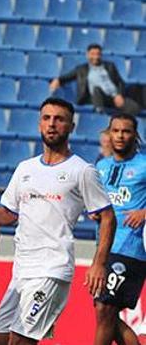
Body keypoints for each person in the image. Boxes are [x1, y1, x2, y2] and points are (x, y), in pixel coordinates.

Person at [0, 98, 116, 345]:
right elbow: (8, 213)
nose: (52, 124)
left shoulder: (82, 170)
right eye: (46, 118)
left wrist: (99, 263)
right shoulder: (25, 168)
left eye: (59, 119)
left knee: (20, 340)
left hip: (52, 268)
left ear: (71, 126)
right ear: (39, 125)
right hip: (22, 269)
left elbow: (107, 216)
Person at [93, 113, 145, 345]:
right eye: (116, 131)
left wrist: (145, 212)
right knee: (105, 313)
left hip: (131, 248)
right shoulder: (102, 166)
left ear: (135, 135)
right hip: (103, 248)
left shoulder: (144, 165)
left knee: (105, 308)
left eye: (126, 131)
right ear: (109, 134)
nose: (120, 136)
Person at [50, 44, 140, 115]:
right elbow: (67, 77)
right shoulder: (81, 69)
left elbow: (120, 82)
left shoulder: (110, 66)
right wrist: (58, 80)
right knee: (96, 90)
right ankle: (100, 116)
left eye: (98, 54)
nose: (96, 57)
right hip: (95, 98)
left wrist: (119, 95)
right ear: (87, 55)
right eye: (93, 54)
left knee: (135, 108)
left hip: (113, 98)